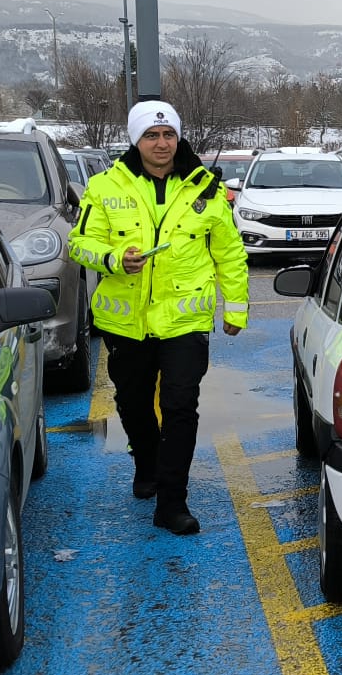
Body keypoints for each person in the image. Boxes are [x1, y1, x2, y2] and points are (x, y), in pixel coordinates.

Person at [70, 100, 250, 536]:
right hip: (126, 323)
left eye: (169, 134)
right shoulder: (104, 187)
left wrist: (237, 306)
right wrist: (114, 259)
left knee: (180, 407)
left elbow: (229, 253)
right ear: (136, 139)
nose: (162, 143)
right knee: (132, 403)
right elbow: (79, 244)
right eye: (152, 135)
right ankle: (146, 462)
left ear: (179, 138)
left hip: (184, 323)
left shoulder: (205, 189)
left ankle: (173, 501)